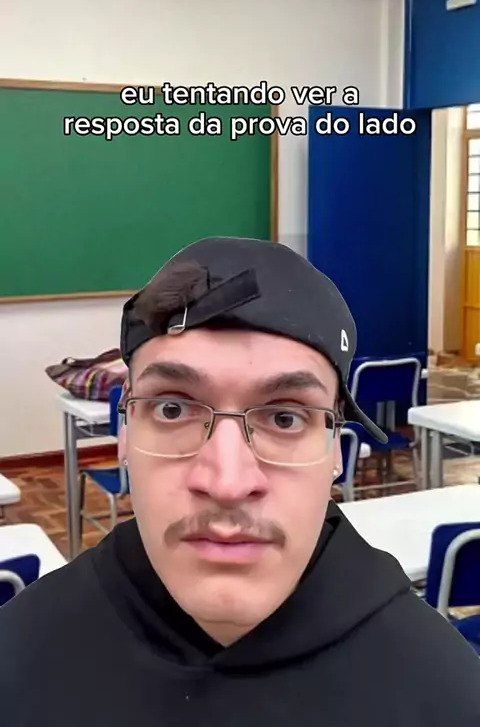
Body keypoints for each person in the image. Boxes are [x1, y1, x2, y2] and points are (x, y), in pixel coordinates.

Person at [1, 236, 479, 726]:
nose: (227, 483)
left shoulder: (449, 696)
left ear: (336, 448)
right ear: (124, 434)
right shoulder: (15, 661)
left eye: (286, 418)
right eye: (172, 409)